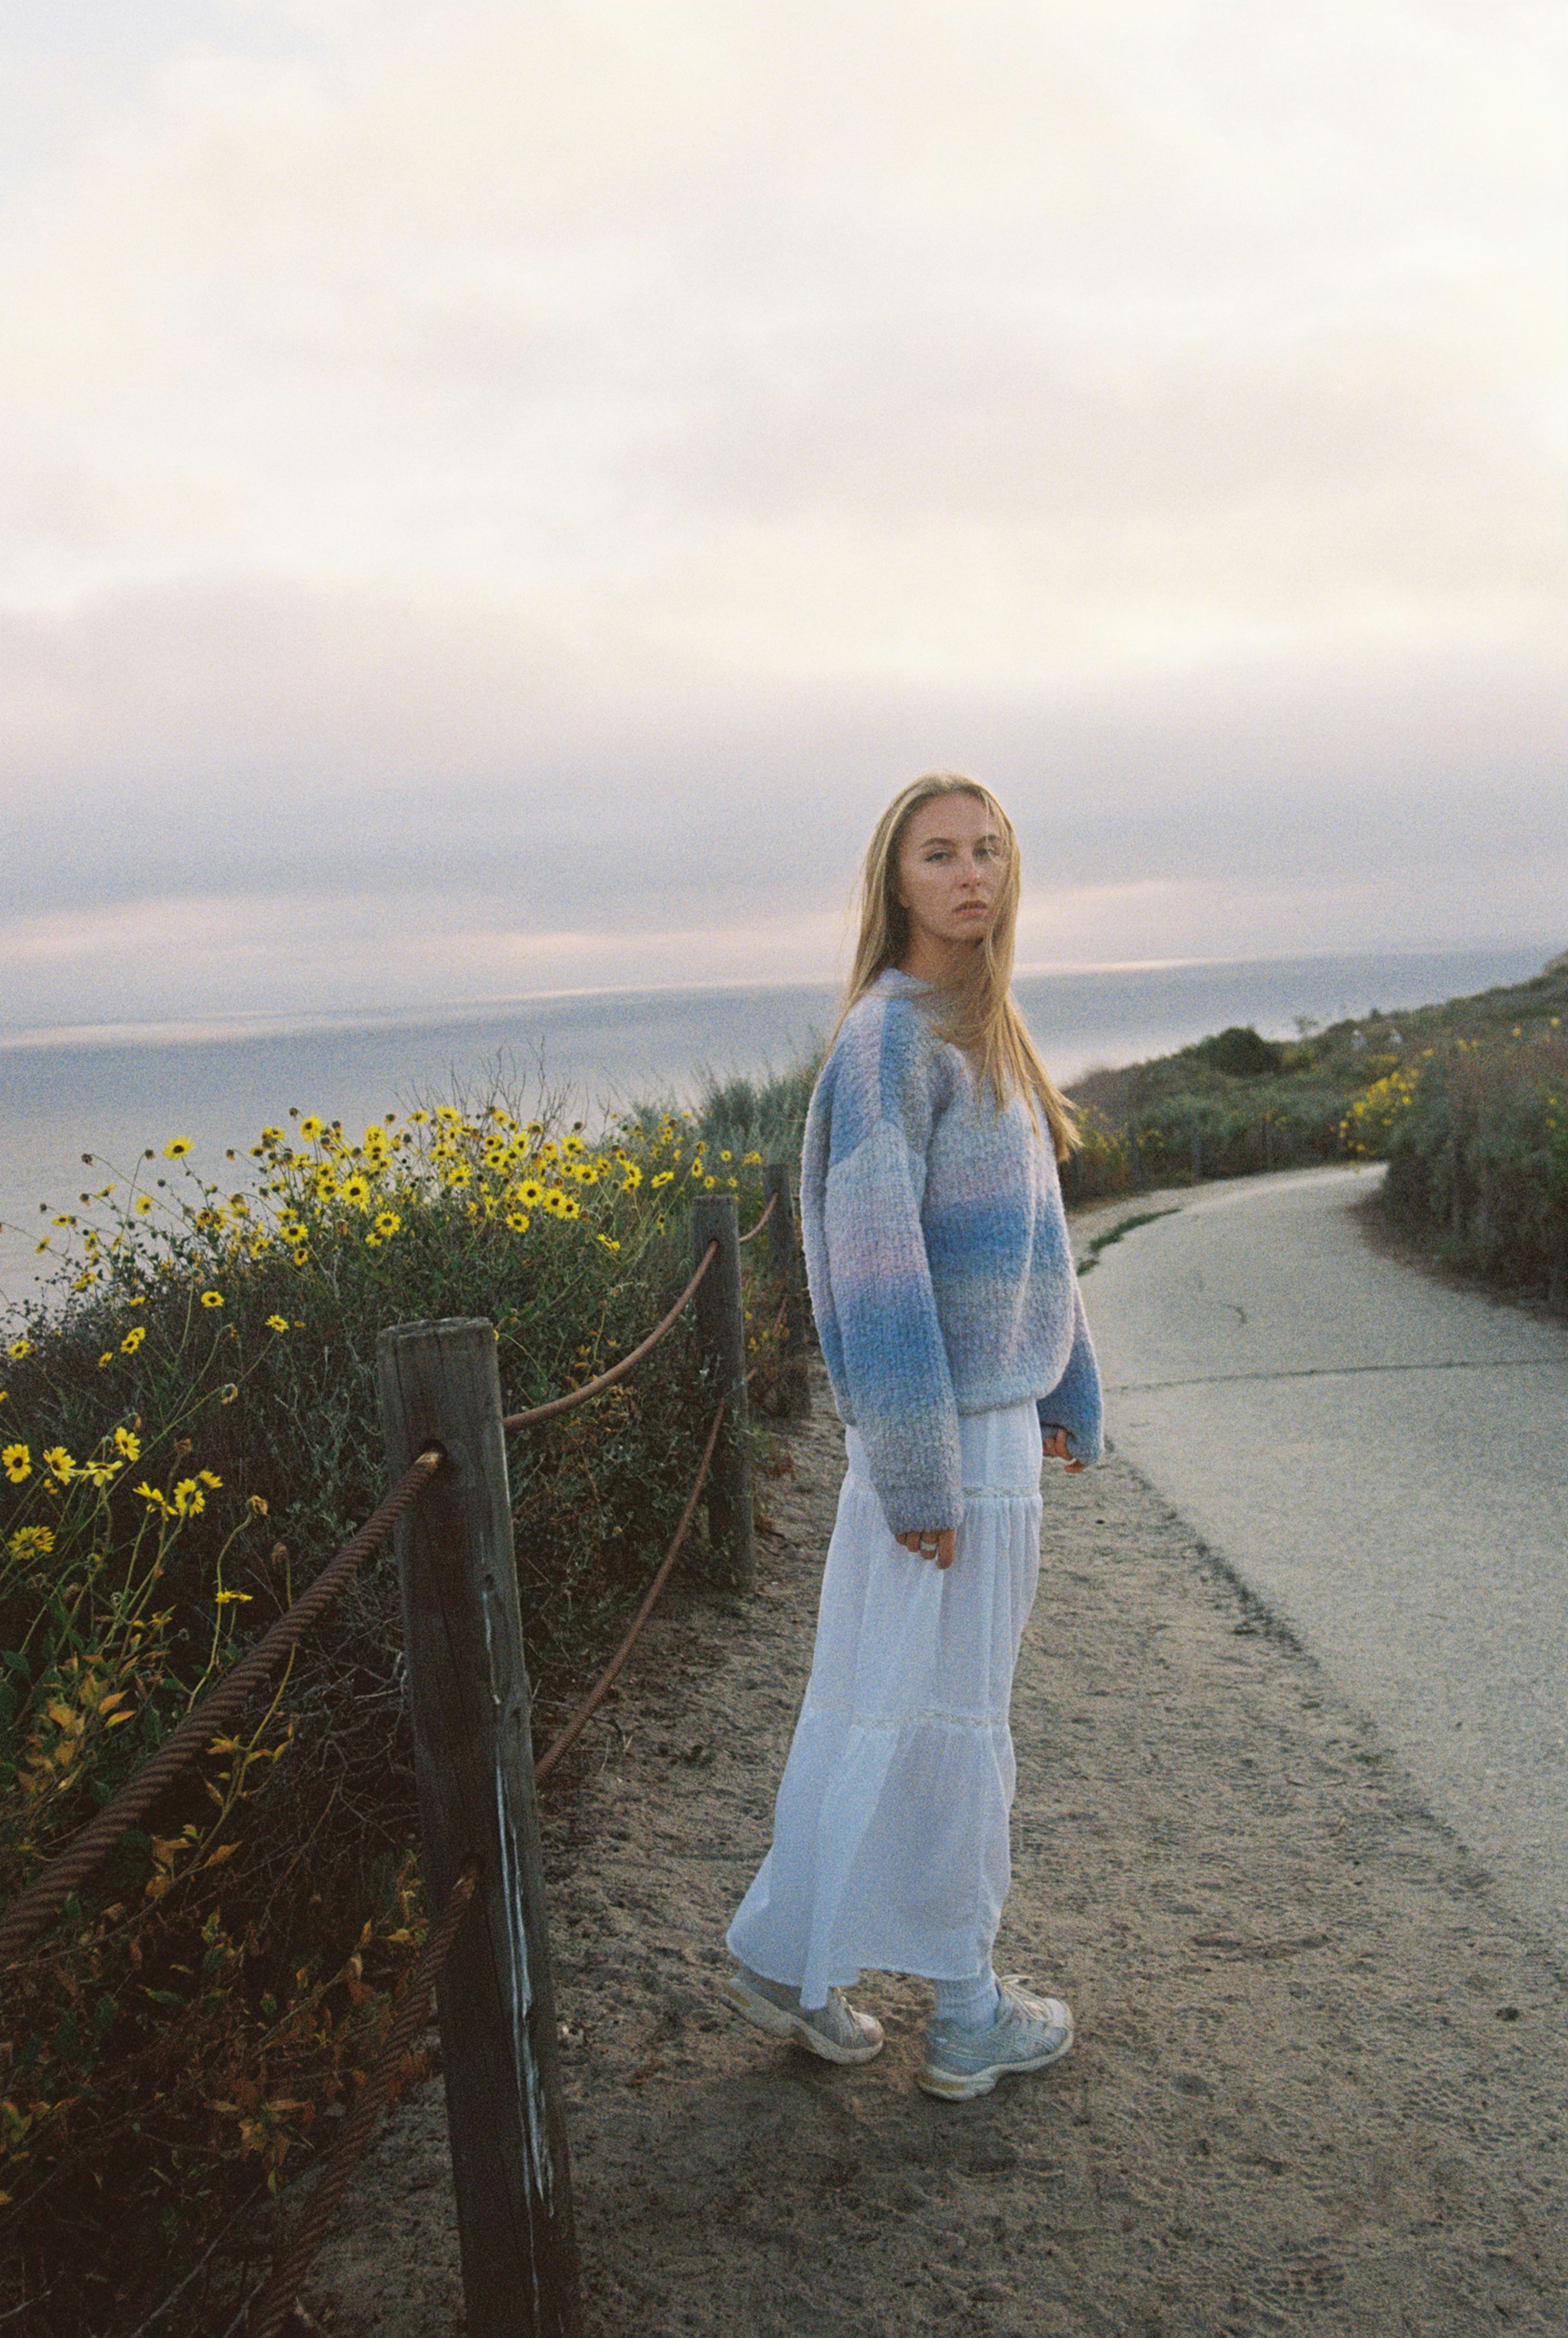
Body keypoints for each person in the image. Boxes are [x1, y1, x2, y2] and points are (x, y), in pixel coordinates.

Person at [722, 771, 1103, 2101]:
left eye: (988, 850)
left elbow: (1034, 1244)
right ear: (895, 880)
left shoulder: (987, 1029)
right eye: (939, 854)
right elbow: (874, 1280)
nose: (969, 875)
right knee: (944, 1720)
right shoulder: (886, 1043)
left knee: (895, 1703)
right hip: (940, 1449)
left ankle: (793, 1961)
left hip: (986, 1433)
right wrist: (918, 1472)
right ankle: (964, 2012)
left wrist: (1069, 1389)